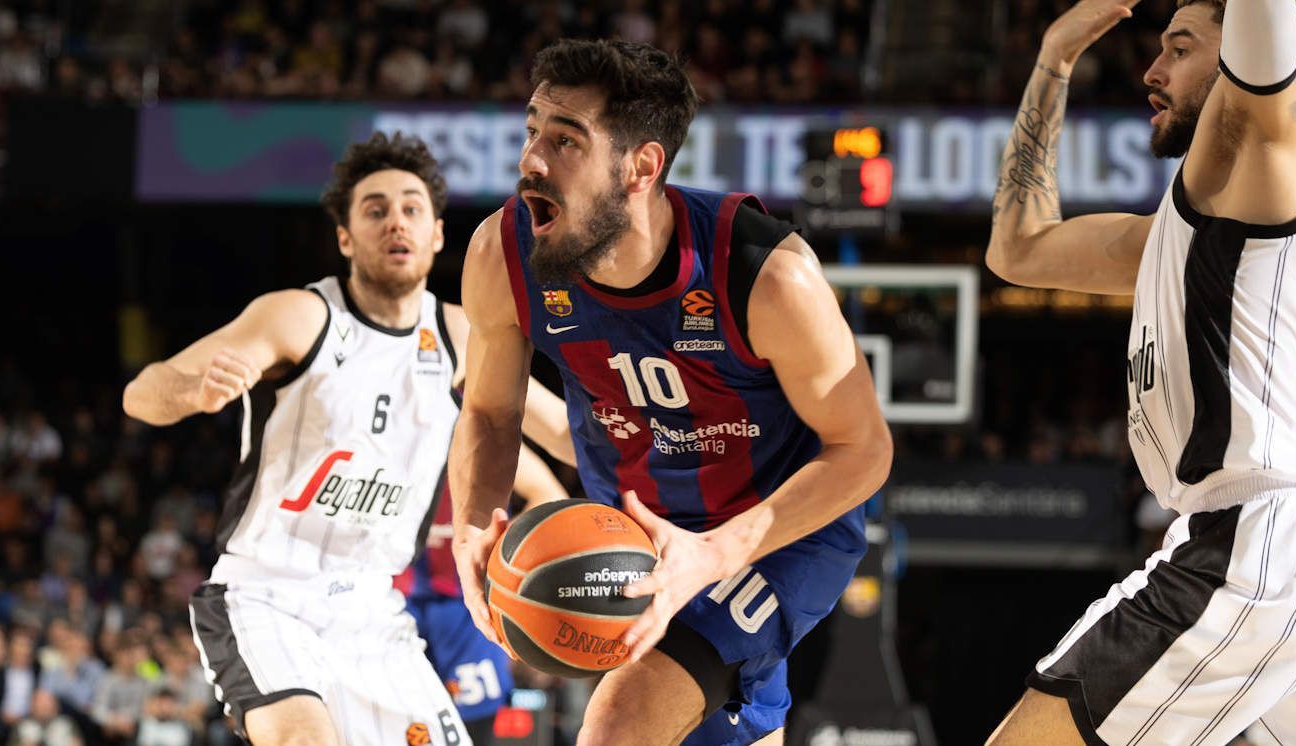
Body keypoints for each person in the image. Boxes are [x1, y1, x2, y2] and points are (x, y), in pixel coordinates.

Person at [448, 39, 893, 746]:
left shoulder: (765, 275)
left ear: (642, 167)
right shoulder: (501, 253)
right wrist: (473, 527)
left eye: (566, 140)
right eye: (532, 131)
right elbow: (490, 411)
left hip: (775, 533)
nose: (531, 159)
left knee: (620, 723)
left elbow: (864, 450)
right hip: (631, 531)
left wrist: (716, 553)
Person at [122, 131, 572, 746]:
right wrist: (194, 392)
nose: (396, 222)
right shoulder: (299, 316)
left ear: (437, 234)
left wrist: (669, 461)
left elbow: (565, 432)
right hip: (267, 597)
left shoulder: (460, 336)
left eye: (411, 209)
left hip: (372, 610)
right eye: (375, 210)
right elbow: (142, 392)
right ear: (345, 238)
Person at [986, 0, 1296, 743]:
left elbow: (1265, 63)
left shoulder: (1266, 159)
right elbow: (1018, 249)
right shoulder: (1199, 232)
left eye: (1181, 49)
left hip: (1257, 540)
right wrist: (1054, 59)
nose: (1152, 70)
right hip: (1268, 543)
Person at [396, 441, 572, 746]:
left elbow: (551, 495)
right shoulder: (385, 434)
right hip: (391, 600)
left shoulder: (471, 431)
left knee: (473, 717)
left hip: (466, 605)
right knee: (395, 717)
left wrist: (501, 549)